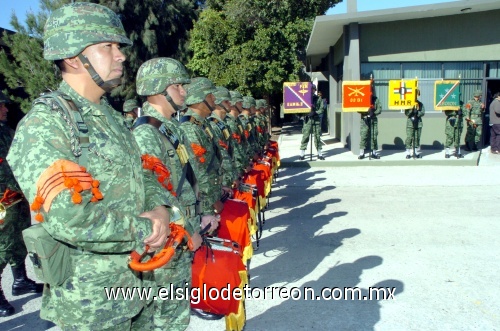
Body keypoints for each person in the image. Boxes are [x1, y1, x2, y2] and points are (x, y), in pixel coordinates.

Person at [6, 3, 175, 329]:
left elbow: (141, 174)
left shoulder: (110, 118)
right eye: (107, 47)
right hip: (92, 306)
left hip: (138, 287)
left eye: (119, 47)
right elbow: (68, 216)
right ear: (72, 57)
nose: (121, 55)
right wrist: (147, 229)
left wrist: (160, 208)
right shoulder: (47, 123)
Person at [134, 57, 215, 331]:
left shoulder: (170, 127)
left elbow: (187, 179)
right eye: (178, 85)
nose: (184, 92)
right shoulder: (147, 132)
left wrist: (200, 215)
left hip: (181, 232)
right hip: (170, 236)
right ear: (159, 89)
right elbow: (154, 192)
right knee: (169, 317)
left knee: (174, 311)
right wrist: (188, 227)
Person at [0, 91, 43, 317]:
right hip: (2, 200)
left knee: (19, 239)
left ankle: (20, 280)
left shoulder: (6, 131)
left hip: (17, 198)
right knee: (3, 246)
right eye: (2, 105)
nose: (6, 109)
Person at [299, 84, 324, 160]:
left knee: (317, 137)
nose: (312, 91)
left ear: (315, 90)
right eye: (310, 89)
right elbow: (300, 107)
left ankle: (319, 154)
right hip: (307, 120)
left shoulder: (318, 99)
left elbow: (322, 109)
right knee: (305, 137)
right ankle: (302, 154)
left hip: (315, 120)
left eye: (313, 89)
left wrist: (315, 112)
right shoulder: (304, 98)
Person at [358, 95, 382, 159]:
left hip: (373, 120)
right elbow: (358, 109)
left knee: (374, 136)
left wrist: (374, 113)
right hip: (364, 119)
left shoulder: (375, 99)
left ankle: (374, 153)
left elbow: (379, 108)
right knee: (364, 135)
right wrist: (366, 111)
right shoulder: (362, 98)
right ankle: (361, 153)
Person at [404, 90, 425, 159]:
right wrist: (412, 110)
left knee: (417, 138)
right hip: (410, 123)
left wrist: (417, 113)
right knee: (409, 137)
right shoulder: (409, 103)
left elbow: (423, 112)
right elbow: (406, 113)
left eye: (417, 94)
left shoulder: (420, 104)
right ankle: (408, 153)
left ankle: (415, 152)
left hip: (418, 123)